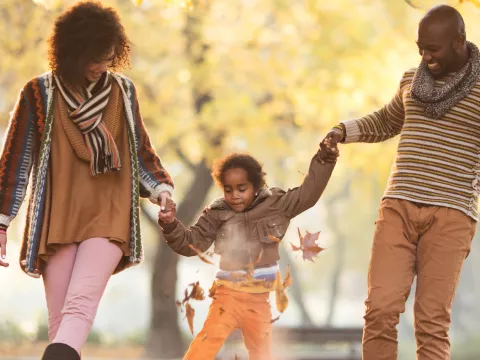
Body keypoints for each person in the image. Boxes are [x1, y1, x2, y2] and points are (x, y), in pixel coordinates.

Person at [0, 2, 174, 359]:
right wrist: (2, 222)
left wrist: (161, 190)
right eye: (92, 59)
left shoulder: (123, 93)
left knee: (80, 305)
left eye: (107, 58)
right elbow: (15, 161)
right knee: (61, 322)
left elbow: (140, 151)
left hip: (109, 216)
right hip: (57, 218)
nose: (99, 67)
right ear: (70, 53)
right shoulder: (39, 94)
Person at [318, 5, 479, 360]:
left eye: (433, 49)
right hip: (399, 207)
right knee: (379, 309)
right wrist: (343, 130)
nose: (424, 56)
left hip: (451, 214)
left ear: (459, 42)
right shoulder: (411, 79)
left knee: (431, 321)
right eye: (420, 47)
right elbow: (388, 120)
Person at [158, 148, 336, 360]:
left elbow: (308, 193)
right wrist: (170, 224)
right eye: (228, 190)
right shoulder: (217, 213)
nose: (234, 196)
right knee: (206, 343)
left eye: (241, 189)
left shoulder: (276, 205)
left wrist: (325, 159)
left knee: (262, 354)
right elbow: (190, 243)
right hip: (227, 296)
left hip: (259, 301)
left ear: (256, 186)